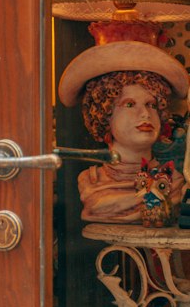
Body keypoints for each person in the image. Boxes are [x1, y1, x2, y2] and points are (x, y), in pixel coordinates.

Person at [58, 31, 189, 224]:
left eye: (151, 105)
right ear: (104, 114)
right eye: (129, 104)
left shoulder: (174, 181)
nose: (145, 114)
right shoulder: (90, 181)